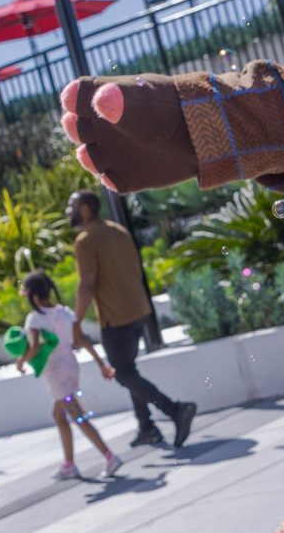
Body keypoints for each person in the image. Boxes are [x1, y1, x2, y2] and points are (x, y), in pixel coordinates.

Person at [66, 189, 195, 449]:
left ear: (85, 209)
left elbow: (86, 284)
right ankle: (146, 427)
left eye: (72, 206)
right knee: (129, 370)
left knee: (123, 374)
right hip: (138, 310)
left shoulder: (86, 239)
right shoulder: (118, 230)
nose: (68, 211)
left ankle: (175, 410)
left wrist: (76, 321)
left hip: (117, 317)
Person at [17, 272, 120, 482]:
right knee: (59, 414)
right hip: (71, 367)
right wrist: (102, 364)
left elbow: (35, 348)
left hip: (56, 373)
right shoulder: (64, 313)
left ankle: (109, 456)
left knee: (76, 415)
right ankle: (69, 464)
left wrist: (20, 361)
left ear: (33, 296)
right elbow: (81, 340)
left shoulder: (35, 318)